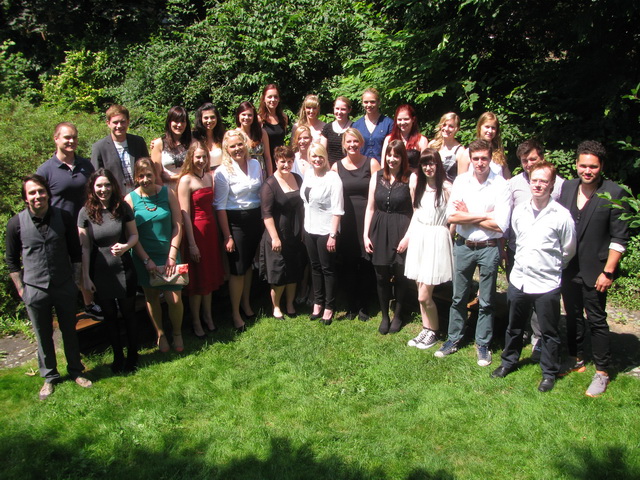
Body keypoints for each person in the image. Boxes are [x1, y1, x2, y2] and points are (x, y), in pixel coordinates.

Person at [491, 161, 576, 392]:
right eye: (535, 180)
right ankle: (508, 362)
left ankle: (549, 372)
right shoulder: (519, 211)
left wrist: (551, 266)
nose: (538, 185)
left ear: (551, 184)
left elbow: (568, 250)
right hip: (519, 279)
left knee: (549, 332)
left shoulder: (562, 216)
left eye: (543, 181)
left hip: (546, 283)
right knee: (514, 326)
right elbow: (517, 240)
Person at [6, 174, 92, 400]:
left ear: (47, 193)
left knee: (69, 331)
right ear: (25, 198)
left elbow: (75, 253)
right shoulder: (16, 223)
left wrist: (75, 282)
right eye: (32, 193)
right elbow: (11, 261)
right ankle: (50, 376)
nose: (37, 196)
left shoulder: (63, 217)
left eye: (41, 191)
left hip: (63, 284)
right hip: (34, 288)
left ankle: (76, 370)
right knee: (42, 334)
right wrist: (22, 290)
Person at [558, 141, 630, 397]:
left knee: (597, 320)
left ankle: (602, 371)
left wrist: (608, 271)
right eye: (583, 165)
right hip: (569, 268)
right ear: (576, 165)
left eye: (593, 167)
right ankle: (575, 358)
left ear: (601, 167)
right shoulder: (568, 187)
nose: (587, 171)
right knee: (572, 315)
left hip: (596, 270)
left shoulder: (614, 193)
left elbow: (619, 237)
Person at [435, 139, 511, 366]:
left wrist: (468, 214)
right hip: (463, 245)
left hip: (489, 247)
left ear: (490, 158)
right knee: (458, 297)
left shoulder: (501, 185)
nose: (480, 163)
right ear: (470, 159)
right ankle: (453, 338)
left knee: (487, 300)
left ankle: (483, 344)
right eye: (475, 158)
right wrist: (485, 215)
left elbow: (501, 225)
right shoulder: (461, 181)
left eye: (484, 158)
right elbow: (452, 216)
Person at [78, 169, 140, 373]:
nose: (103, 189)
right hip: (100, 271)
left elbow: (134, 235)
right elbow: (85, 247)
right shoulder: (85, 212)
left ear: (113, 186)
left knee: (129, 314)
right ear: (92, 188)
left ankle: (133, 354)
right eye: (99, 185)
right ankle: (118, 356)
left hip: (124, 268)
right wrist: (86, 277)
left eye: (107, 185)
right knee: (110, 317)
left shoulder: (122, 207)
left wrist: (125, 246)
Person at [507, 139, 564, 357]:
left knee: (540, 297)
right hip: (518, 250)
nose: (528, 164)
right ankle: (520, 333)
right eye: (524, 161)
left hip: (546, 253)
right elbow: (511, 218)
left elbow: (566, 239)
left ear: (541, 157)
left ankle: (538, 337)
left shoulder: (559, 184)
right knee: (519, 295)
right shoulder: (514, 183)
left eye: (532, 159)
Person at [36, 122, 100, 317]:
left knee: (89, 264)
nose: (72, 141)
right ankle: (70, 309)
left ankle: (91, 304)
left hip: (88, 224)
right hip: (60, 228)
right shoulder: (45, 170)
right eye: (67, 137)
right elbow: (39, 200)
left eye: (74, 137)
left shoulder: (85, 165)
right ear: (56, 139)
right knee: (68, 270)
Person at [125, 158, 184, 353]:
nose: (145, 179)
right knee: (151, 297)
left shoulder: (168, 193)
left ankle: (177, 333)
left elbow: (178, 225)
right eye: (141, 176)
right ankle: (160, 334)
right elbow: (131, 234)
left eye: (149, 175)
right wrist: (146, 260)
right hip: (144, 256)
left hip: (169, 254)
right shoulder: (129, 200)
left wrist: (172, 255)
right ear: (136, 177)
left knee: (174, 299)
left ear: (155, 174)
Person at [214, 130, 264, 331]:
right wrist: (228, 236)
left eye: (240, 144)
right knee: (237, 270)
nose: (237, 149)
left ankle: (246, 304)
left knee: (249, 265)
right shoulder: (222, 172)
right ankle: (235, 314)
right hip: (235, 222)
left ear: (245, 145)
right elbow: (220, 207)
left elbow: (260, 192)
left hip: (255, 219)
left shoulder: (255, 164)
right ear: (226, 149)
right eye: (232, 146)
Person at [404, 149, 453, 349]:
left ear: (438, 164)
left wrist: (447, 236)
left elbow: (453, 218)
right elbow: (416, 214)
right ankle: (426, 328)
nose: (428, 167)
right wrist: (407, 237)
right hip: (419, 238)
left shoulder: (447, 187)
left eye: (432, 163)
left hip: (437, 239)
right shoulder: (419, 186)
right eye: (424, 164)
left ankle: (434, 331)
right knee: (419, 288)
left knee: (424, 295)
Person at [363, 140, 413, 334]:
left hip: (402, 229)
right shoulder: (376, 176)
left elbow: (417, 211)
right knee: (381, 275)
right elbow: (370, 207)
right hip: (380, 228)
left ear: (402, 158)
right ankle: (385, 316)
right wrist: (366, 235)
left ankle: (398, 315)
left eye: (396, 155)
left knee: (400, 275)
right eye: (389, 155)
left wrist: (408, 237)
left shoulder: (410, 178)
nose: (392, 159)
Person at [332, 128, 380, 321]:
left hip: (367, 219)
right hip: (346, 221)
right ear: (344, 145)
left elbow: (380, 192)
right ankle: (351, 305)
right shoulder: (336, 167)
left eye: (355, 141)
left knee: (366, 263)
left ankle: (365, 305)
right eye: (348, 142)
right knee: (348, 263)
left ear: (361, 143)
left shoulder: (372, 164)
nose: (352, 145)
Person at [177, 142, 225, 337]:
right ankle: (196, 321)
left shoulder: (208, 176)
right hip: (196, 233)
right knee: (197, 281)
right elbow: (184, 214)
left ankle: (208, 316)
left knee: (209, 276)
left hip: (211, 232)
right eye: (198, 157)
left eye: (204, 157)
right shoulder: (185, 180)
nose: (201, 160)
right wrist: (191, 244)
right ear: (191, 157)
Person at [259, 146, 305, 319]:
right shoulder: (269, 185)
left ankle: (290, 303)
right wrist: (275, 238)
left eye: (290, 161)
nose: (286, 165)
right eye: (283, 161)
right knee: (278, 273)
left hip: (295, 232)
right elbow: (266, 214)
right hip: (277, 235)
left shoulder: (297, 178)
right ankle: (276, 306)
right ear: (276, 161)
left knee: (293, 271)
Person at [301, 143, 344, 324]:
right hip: (310, 229)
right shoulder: (308, 174)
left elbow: (338, 209)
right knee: (315, 267)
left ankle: (329, 306)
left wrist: (332, 235)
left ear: (325, 157)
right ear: (309, 158)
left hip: (326, 230)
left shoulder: (333, 178)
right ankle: (317, 302)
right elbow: (306, 203)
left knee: (327, 269)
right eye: (314, 156)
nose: (317, 159)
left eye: (320, 156)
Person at [91, 104, 150, 194]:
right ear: (108, 123)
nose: (119, 126)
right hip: (114, 196)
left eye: (123, 122)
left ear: (128, 122)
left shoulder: (138, 142)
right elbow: (96, 178)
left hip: (140, 194)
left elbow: (148, 168)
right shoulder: (99, 147)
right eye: (115, 122)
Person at [458, 112, 510, 179]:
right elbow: (461, 180)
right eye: (487, 127)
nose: (490, 131)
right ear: (480, 127)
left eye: (493, 128)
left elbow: (507, 179)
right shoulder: (467, 153)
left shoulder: (499, 154)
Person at [151, 106, 192, 188]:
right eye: (176, 121)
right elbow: (156, 175)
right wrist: (163, 193)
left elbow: (195, 171)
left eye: (183, 121)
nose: (179, 125)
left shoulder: (192, 142)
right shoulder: (159, 144)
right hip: (166, 189)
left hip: (189, 188)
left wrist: (172, 178)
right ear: (169, 122)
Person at [352, 88, 393, 163]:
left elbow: (393, 148)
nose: (369, 105)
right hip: (361, 167)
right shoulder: (356, 125)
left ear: (379, 102)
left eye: (372, 102)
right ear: (362, 103)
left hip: (382, 166)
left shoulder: (388, 123)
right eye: (366, 102)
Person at [235, 101, 273, 177]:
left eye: (250, 115)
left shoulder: (261, 133)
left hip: (261, 173)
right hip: (244, 174)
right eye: (243, 114)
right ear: (238, 116)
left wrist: (270, 177)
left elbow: (267, 157)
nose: (246, 118)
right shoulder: (235, 134)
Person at [428, 112, 464, 182]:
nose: (446, 129)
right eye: (444, 125)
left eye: (451, 126)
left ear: (457, 129)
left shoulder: (460, 152)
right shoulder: (432, 145)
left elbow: (461, 180)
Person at [258, 83, 289, 161]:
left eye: (275, 97)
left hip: (280, 161)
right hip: (265, 161)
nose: (273, 100)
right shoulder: (259, 119)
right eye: (269, 97)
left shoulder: (283, 118)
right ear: (264, 99)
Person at [192, 102, 226, 171]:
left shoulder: (223, 136)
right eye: (206, 118)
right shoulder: (194, 137)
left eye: (212, 117)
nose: (209, 120)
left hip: (220, 174)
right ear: (200, 119)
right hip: (201, 174)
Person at [320, 96, 353, 165]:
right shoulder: (327, 128)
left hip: (348, 167)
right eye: (337, 109)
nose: (339, 112)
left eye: (343, 109)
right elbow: (322, 151)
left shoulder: (354, 127)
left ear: (349, 110)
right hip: (330, 167)